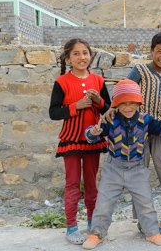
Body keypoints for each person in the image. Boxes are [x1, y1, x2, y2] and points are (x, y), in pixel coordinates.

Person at [102, 31, 161, 231]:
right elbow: (124, 90)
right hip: (136, 130)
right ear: (151, 51)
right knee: (138, 173)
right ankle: (143, 217)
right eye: (159, 51)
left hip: (159, 130)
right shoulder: (140, 70)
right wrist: (113, 110)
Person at [81, 79, 161, 249]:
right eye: (123, 103)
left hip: (137, 170)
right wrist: (93, 132)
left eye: (132, 103)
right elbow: (91, 135)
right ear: (116, 104)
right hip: (113, 169)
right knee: (103, 203)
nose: (128, 107)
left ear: (138, 103)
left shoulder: (145, 119)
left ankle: (152, 232)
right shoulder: (110, 119)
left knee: (145, 203)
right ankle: (97, 233)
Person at [49, 39, 111, 245]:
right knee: (73, 184)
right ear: (68, 58)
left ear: (90, 56)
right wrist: (77, 105)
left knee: (92, 184)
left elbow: (108, 110)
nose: (81, 57)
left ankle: (93, 223)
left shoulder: (98, 81)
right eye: (76, 54)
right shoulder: (62, 82)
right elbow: (54, 112)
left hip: (93, 139)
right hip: (71, 140)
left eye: (85, 53)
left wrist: (98, 101)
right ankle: (71, 227)